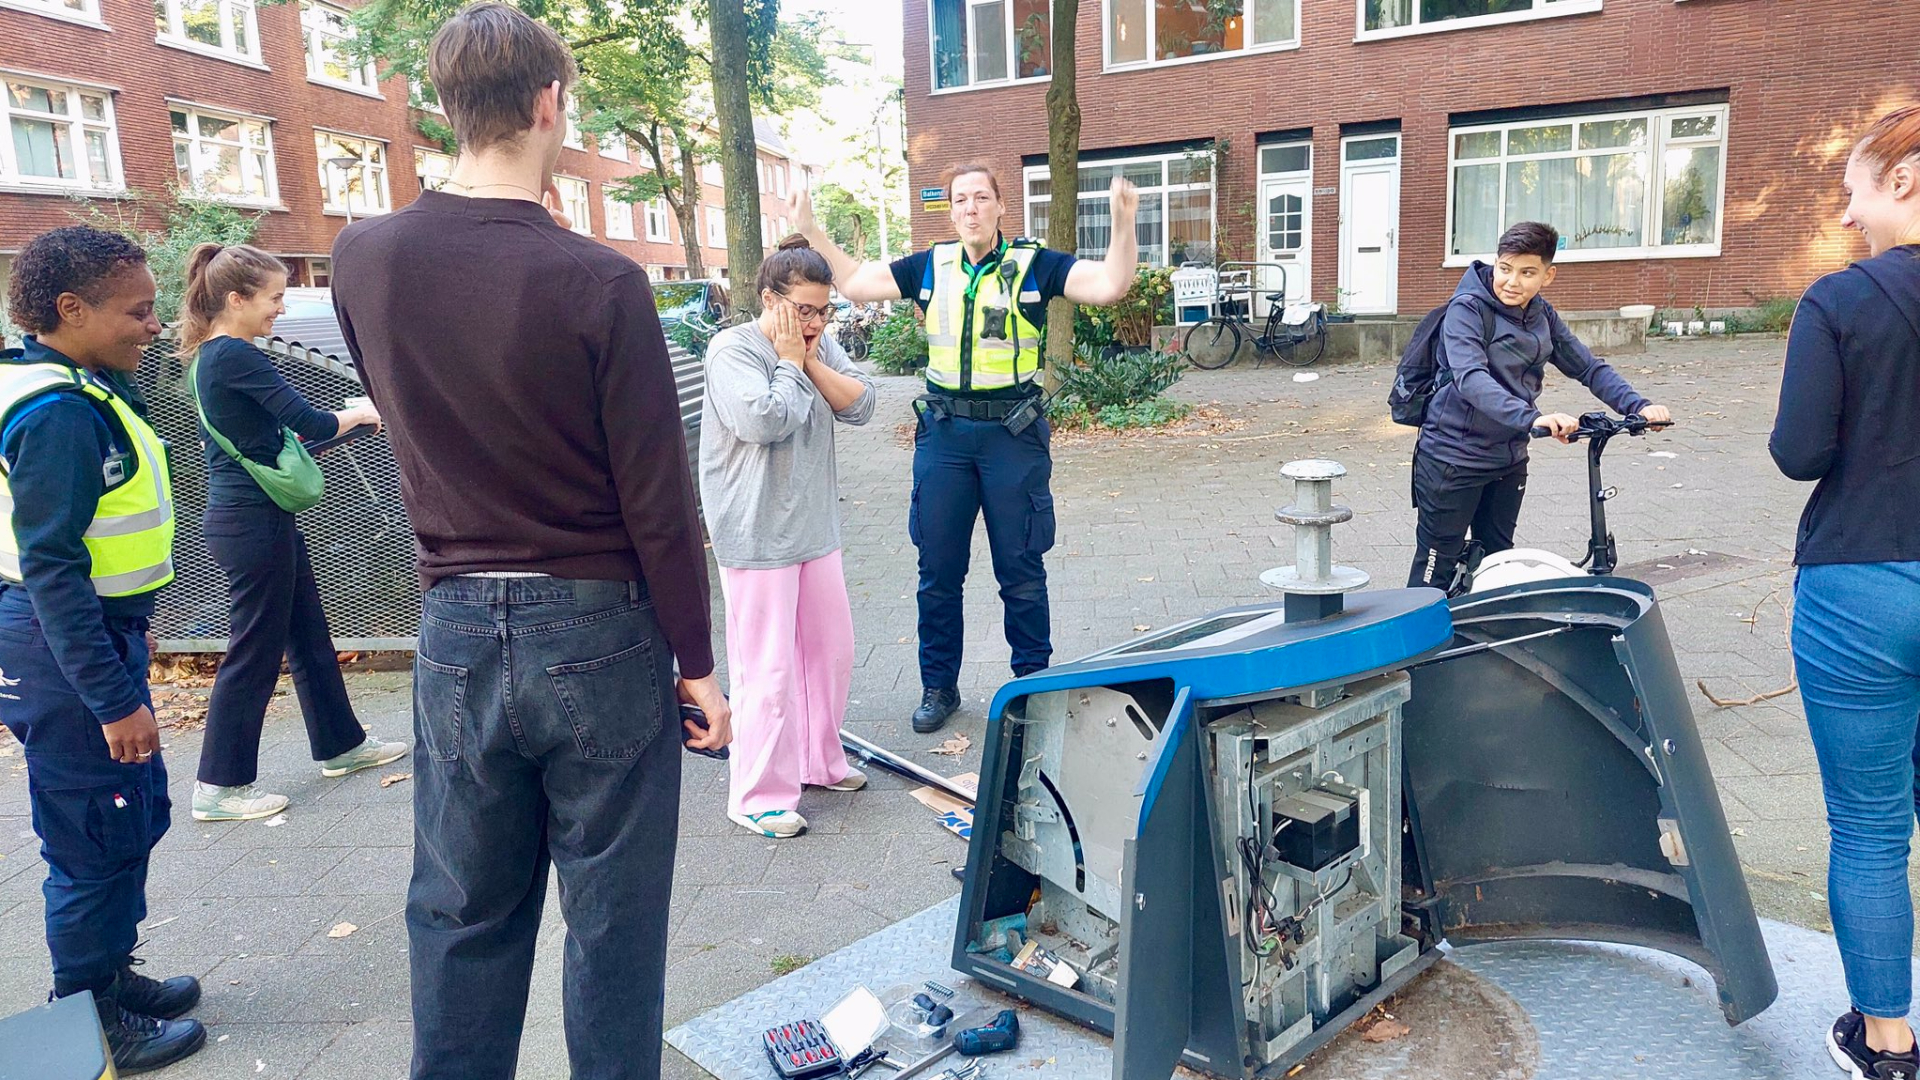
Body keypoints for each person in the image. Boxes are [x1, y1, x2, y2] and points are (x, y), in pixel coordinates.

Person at [329, 5, 730, 1078]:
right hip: (601, 631)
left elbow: (400, 413)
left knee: (461, 915)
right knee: (613, 921)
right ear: (551, 102)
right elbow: (659, 497)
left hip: (455, 625)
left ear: (445, 109)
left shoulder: (362, 258)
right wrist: (695, 660)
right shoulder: (598, 281)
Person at [790, 164, 1140, 733]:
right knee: (937, 571)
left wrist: (1123, 224)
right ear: (950, 211)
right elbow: (854, 282)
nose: (971, 208)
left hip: (1013, 437)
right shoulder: (932, 265)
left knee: (1021, 570)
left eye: (981, 197)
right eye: (960, 200)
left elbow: (1108, 286)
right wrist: (811, 229)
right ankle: (939, 687)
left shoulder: (1033, 265)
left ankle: (1032, 687)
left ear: (1002, 206)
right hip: (945, 437)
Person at [0, 226, 206, 1073]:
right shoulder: (56, 414)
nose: (154, 325)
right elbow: (51, 568)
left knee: (133, 813)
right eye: (139, 311)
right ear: (70, 308)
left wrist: (133, 623)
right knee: (93, 833)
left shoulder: (80, 385)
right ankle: (83, 1016)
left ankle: (109, 977)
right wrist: (111, 697)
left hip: (96, 635)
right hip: (63, 652)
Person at [1769, 105, 1920, 1080]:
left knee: (1869, 825)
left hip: (1860, 586)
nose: (1847, 206)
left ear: (1906, 179)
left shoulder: (1838, 302)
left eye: (1857, 184)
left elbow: (1799, 451)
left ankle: (1889, 1047)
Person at [176, 243, 405, 822]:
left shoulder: (211, 355)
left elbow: (274, 442)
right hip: (251, 521)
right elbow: (307, 421)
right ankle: (218, 786)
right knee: (254, 648)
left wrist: (345, 425)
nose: (280, 307)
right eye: (274, 297)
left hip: (256, 514)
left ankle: (341, 746)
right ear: (236, 299)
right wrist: (358, 413)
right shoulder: (235, 354)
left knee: (306, 631)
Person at [701, 236, 876, 839]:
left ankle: (817, 762)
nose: (816, 321)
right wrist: (788, 360)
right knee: (767, 670)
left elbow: (862, 405)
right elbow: (765, 419)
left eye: (824, 309)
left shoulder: (817, 345)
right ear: (769, 300)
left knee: (830, 654)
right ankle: (757, 795)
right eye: (803, 309)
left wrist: (808, 356)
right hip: (755, 533)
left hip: (814, 526)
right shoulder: (732, 349)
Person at [1405, 221, 1671, 591]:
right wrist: (1533, 418)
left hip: (1508, 458)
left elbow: (1588, 367)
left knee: (1497, 566)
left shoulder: (1542, 315)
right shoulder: (1466, 310)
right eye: (1505, 269)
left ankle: (1481, 644)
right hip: (1452, 460)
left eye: (1527, 272)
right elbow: (1471, 378)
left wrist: (1639, 406)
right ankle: (1421, 647)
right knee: (1435, 574)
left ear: (1548, 275)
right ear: (1496, 263)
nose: (1512, 282)